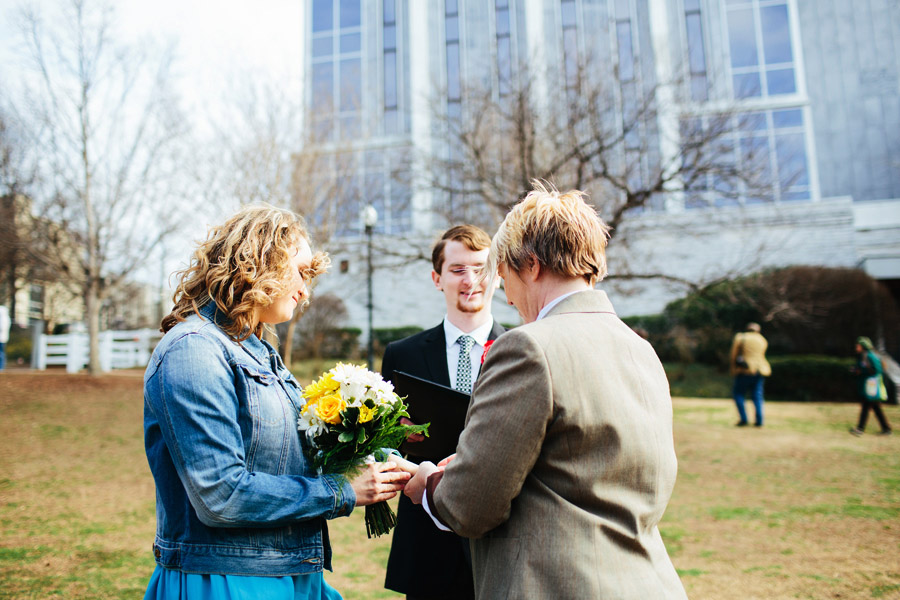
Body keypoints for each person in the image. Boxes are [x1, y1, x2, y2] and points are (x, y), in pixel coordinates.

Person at [404, 182, 687, 599]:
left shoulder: (528, 347)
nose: (510, 299)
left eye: (505, 277)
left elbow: (470, 506)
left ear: (531, 266)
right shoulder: (641, 349)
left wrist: (429, 482)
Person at [142, 204, 410, 600]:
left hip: (289, 573)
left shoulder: (257, 349)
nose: (305, 292)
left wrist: (380, 459)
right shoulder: (193, 351)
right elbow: (222, 496)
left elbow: (288, 460)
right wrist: (341, 491)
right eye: (301, 272)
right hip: (225, 580)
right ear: (260, 259)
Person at [383, 225, 504, 600]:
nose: (471, 280)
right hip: (426, 544)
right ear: (437, 279)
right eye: (457, 270)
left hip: (499, 541)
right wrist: (397, 441)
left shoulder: (525, 351)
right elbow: (380, 449)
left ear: (497, 276)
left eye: (480, 268)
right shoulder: (402, 355)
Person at [729, 322, 771, 427]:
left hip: (745, 369)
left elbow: (733, 354)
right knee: (757, 396)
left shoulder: (741, 337)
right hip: (760, 369)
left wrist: (733, 368)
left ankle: (743, 419)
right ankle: (759, 421)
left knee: (738, 394)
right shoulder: (762, 340)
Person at [849, 336, 892, 436]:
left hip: (871, 387)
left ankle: (860, 429)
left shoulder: (869, 356)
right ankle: (886, 429)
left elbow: (877, 370)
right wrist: (856, 370)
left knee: (866, 407)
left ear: (863, 346)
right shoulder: (864, 355)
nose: (856, 346)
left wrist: (861, 371)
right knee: (876, 408)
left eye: (858, 345)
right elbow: (863, 367)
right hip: (868, 387)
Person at [0, 305, 9, 371]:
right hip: (2, 338)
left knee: (1, 353)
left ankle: (1, 367)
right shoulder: (6, 318)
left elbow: (2, 328)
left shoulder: (3, 318)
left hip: (1, 338)